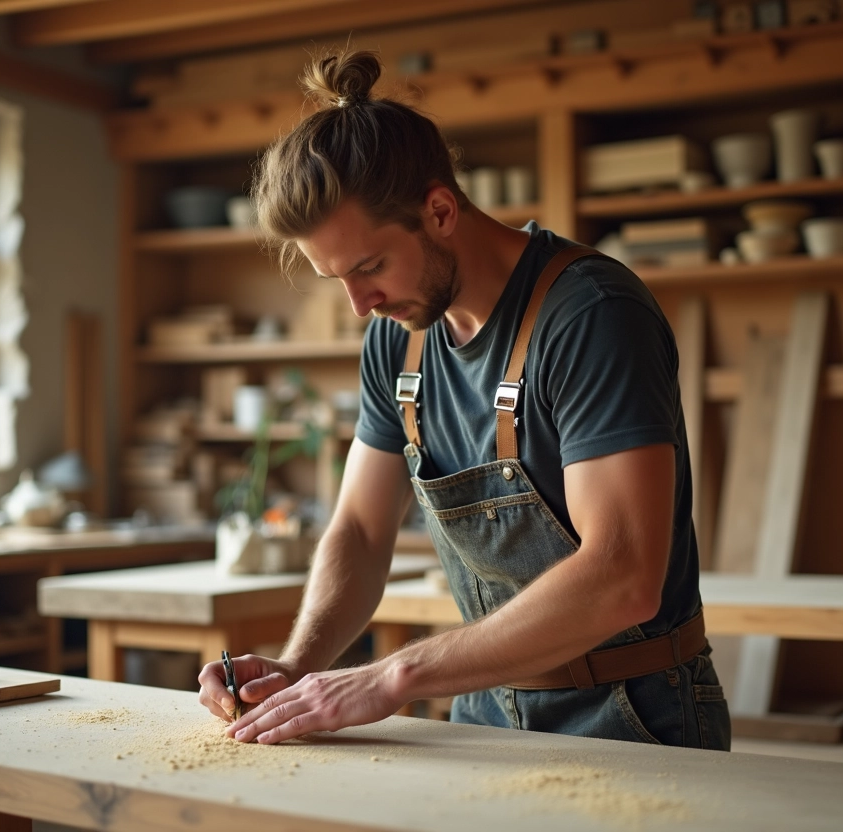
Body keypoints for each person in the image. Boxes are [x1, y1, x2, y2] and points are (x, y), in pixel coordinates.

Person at [196, 48, 731, 751]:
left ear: (440, 209)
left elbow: (623, 577)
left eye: (370, 268)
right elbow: (359, 529)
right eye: (338, 280)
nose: (360, 306)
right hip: (485, 716)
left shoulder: (591, 315)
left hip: (634, 714)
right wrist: (299, 666)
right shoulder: (402, 338)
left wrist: (394, 676)